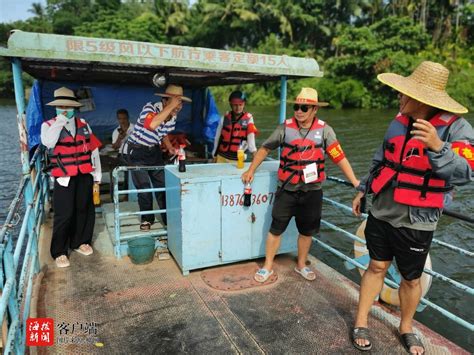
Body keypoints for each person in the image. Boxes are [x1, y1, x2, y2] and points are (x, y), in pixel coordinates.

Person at [351, 61, 473, 354]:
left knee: (411, 278)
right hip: (381, 210)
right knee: (376, 265)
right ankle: (360, 321)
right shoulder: (397, 120)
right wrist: (363, 189)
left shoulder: (457, 128)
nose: (399, 97)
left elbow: (467, 172)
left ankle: (406, 327)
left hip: (417, 219)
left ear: (421, 99)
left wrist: (437, 146)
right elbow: (382, 159)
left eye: (403, 93)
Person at [241, 87, 359, 282]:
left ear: (314, 110)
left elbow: (339, 157)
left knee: (307, 231)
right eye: (296, 107)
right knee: (276, 228)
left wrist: (355, 181)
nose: (299, 111)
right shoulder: (285, 128)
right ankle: (268, 266)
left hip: (312, 191)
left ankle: (301, 264)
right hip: (287, 188)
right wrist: (251, 170)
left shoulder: (325, 130)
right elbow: (265, 149)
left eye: (304, 108)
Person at [41, 87, 102, 268]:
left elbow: (94, 151)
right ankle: (59, 251)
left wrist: (97, 175)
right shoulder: (48, 125)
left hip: (84, 174)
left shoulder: (84, 124)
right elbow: (48, 143)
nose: (65, 109)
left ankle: (80, 242)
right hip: (64, 177)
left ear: (75, 106)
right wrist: (60, 121)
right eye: (61, 106)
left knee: (84, 210)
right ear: (56, 107)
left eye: (68, 106)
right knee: (64, 214)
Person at [127, 84, 191, 230]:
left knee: (162, 186)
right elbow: (152, 125)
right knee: (144, 188)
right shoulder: (149, 108)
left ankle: (168, 219)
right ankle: (147, 219)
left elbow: (162, 133)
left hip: (154, 151)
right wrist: (171, 107)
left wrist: (169, 147)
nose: (179, 107)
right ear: (165, 100)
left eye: (180, 103)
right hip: (137, 151)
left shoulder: (173, 116)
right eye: (176, 102)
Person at [213, 90, 258, 162]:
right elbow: (217, 137)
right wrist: (214, 155)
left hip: (238, 159)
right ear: (230, 104)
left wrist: (254, 154)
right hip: (221, 157)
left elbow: (251, 139)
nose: (238, 108)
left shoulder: (249, 119)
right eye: (235, 105)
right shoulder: (224, 118)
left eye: (240, 105)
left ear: (244, 104)